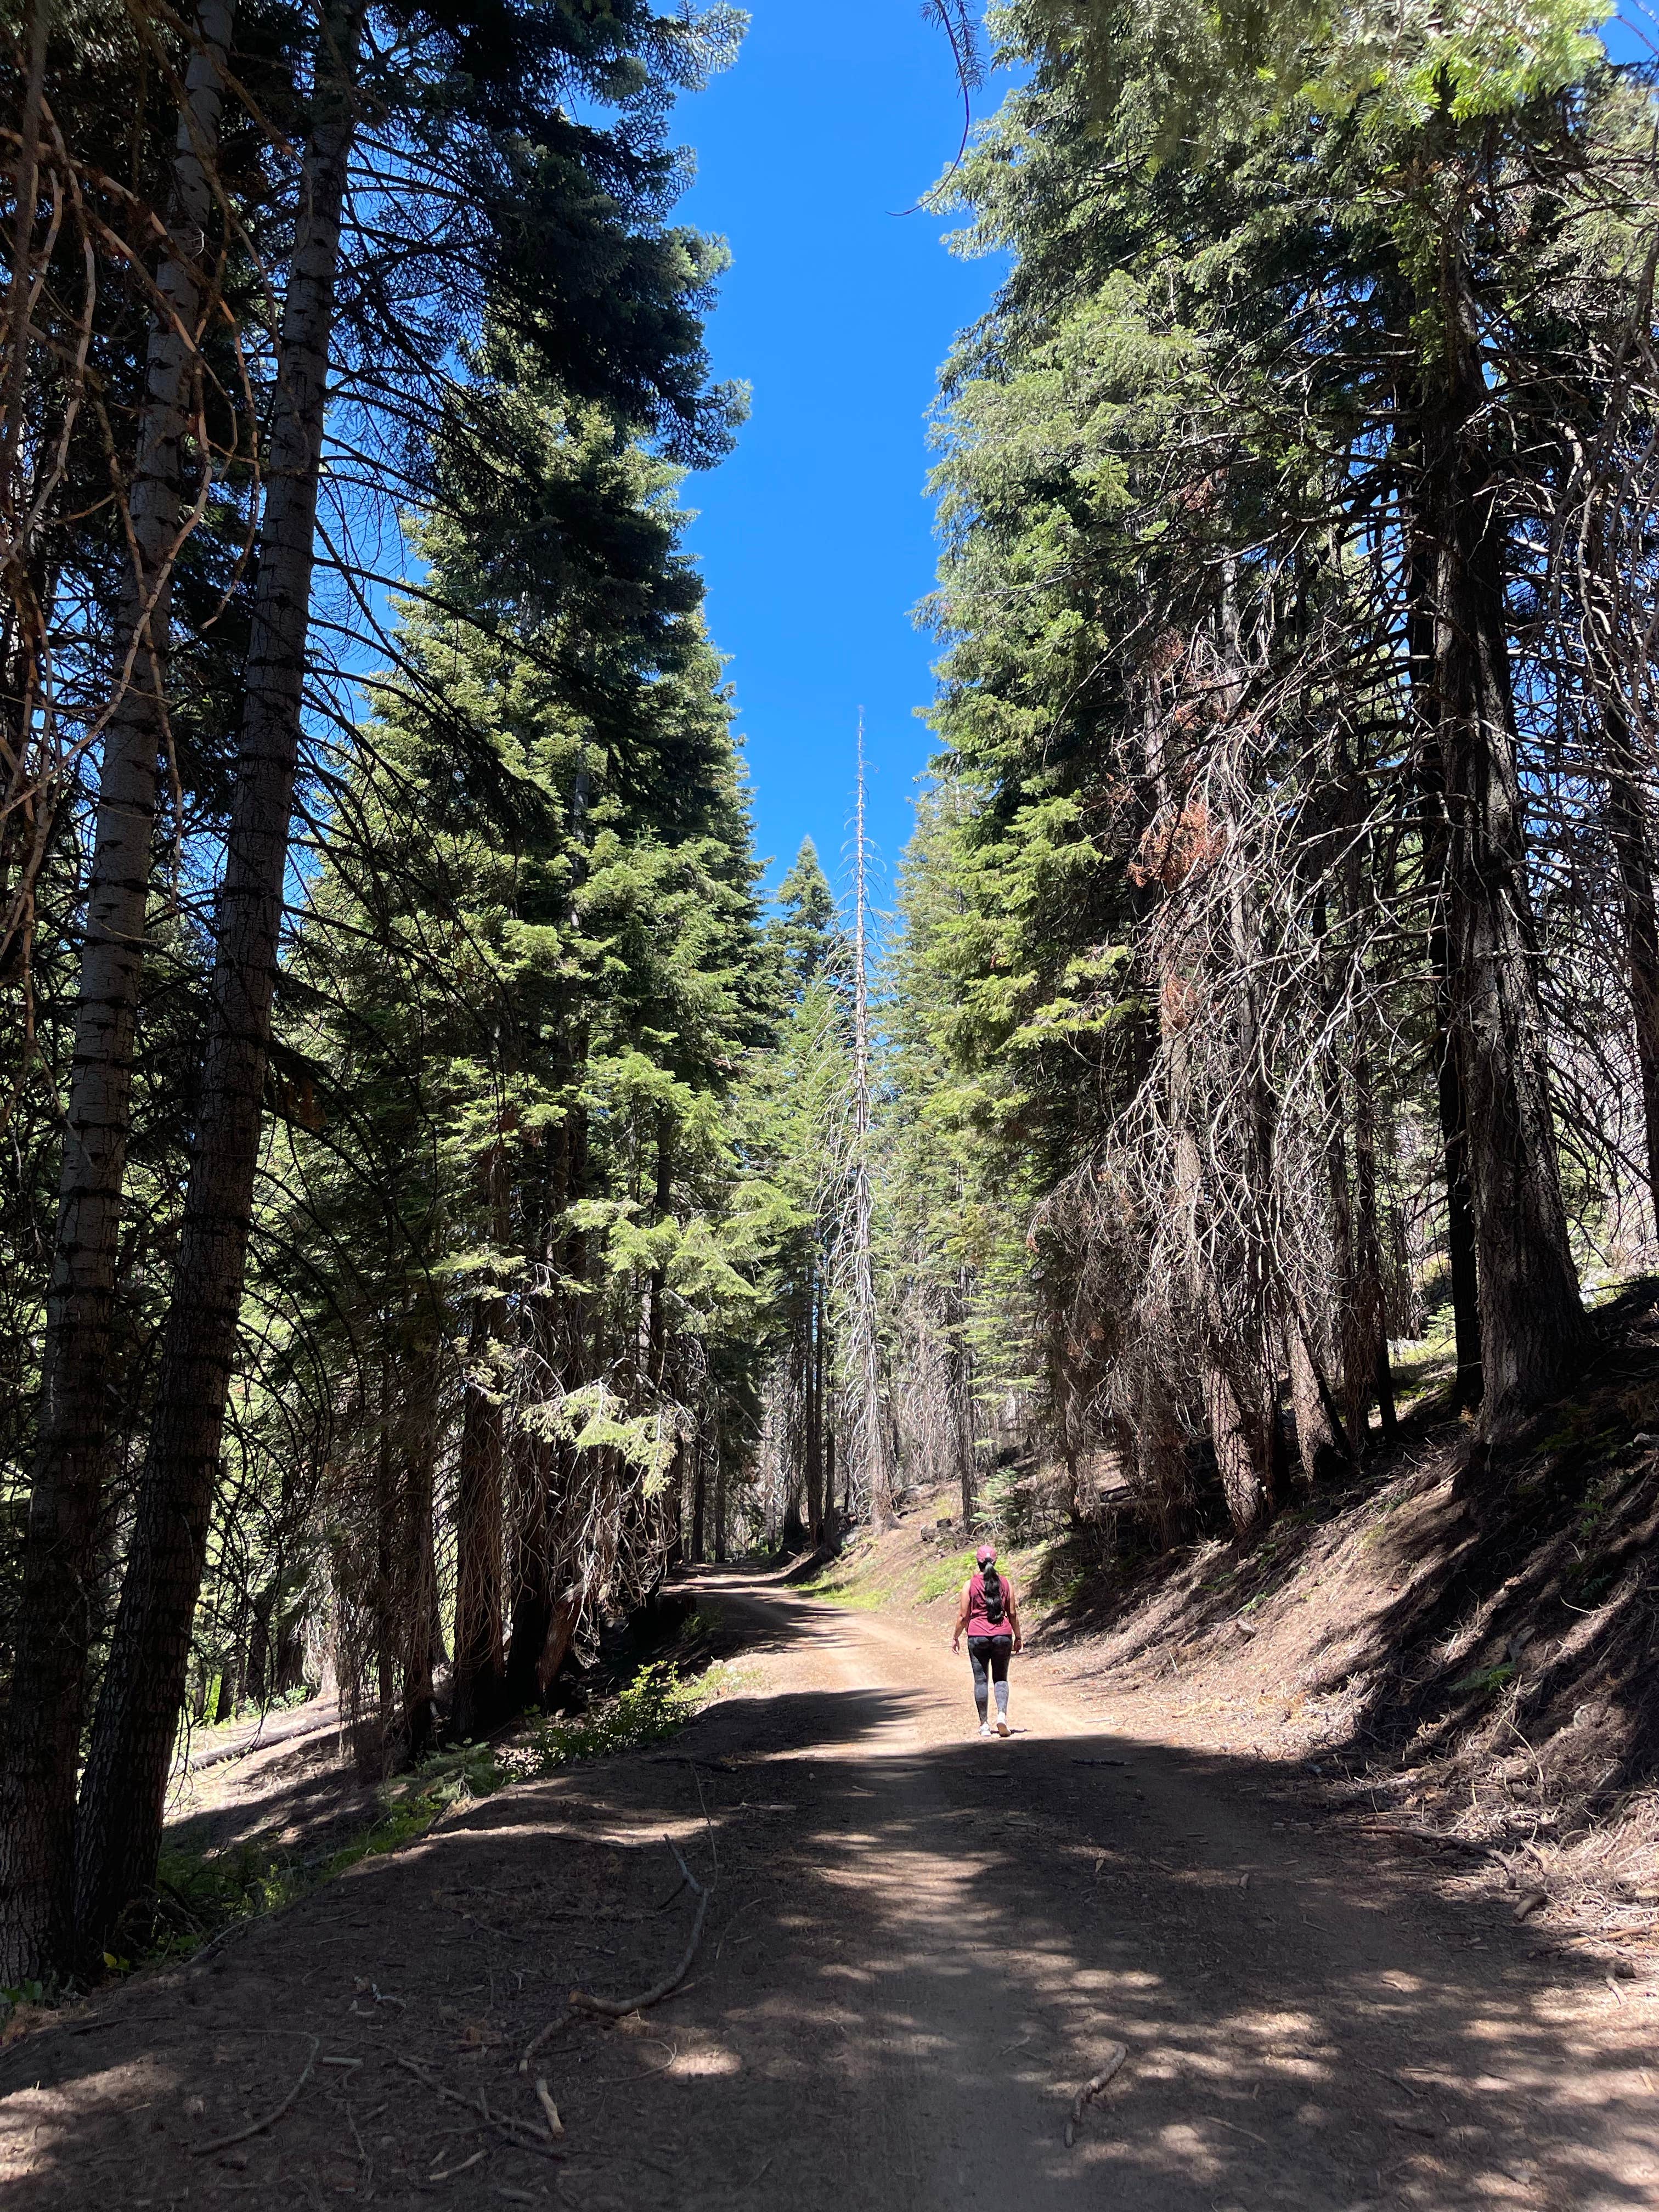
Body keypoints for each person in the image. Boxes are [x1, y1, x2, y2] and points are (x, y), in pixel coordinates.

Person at [951, 1543, 1023, 1736]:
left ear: (978, 1563)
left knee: (981, 1681)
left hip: (977, 1636)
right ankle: (1002, 1716)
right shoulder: (1006, 1583)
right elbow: (1013, 1613)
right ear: (996, 1561)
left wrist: (956, 1637)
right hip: (1002, 1635)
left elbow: (963, 1616)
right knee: (1001, 1678)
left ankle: (984, 1724)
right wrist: (1018, 1636)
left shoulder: (970, 1585)